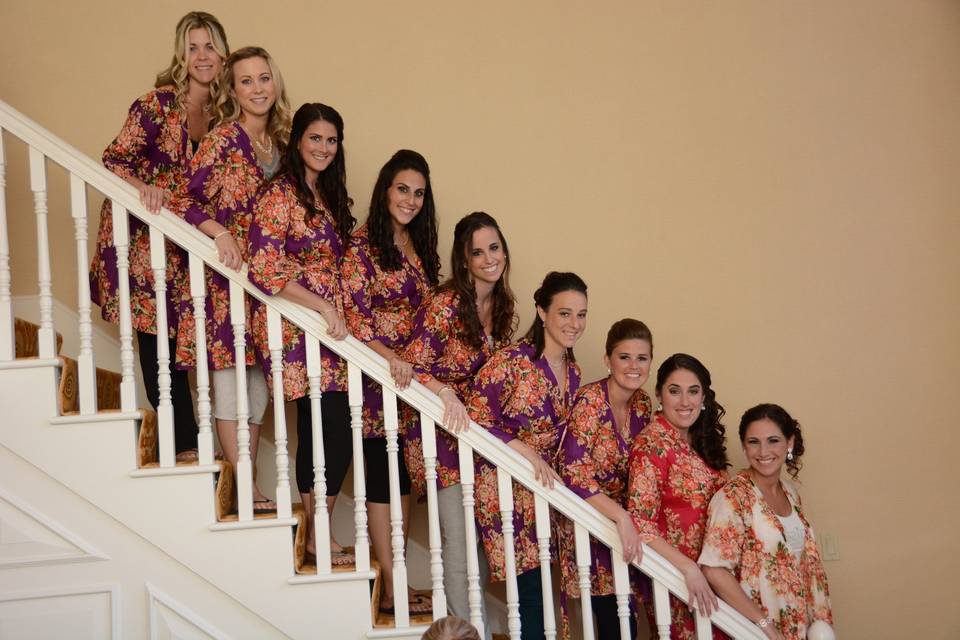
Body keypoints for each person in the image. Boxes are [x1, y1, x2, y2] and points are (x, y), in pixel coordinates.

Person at [89, 11, 229, 461]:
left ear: (223, 54)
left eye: (210, 46)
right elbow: (114, 160)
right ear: (181, 55)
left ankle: (190, 439)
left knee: (182, 341)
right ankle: (184, 443)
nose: (202, 56)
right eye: (193, 47)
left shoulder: (223, 118)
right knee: (157, 340)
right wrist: (143, 187)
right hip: (140, 237)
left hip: (181, 244)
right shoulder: (156, 105)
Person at [176, 46, 292, 512]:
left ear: (275, 83)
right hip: (224, 283)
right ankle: (245, 484)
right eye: (246, 81)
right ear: (234, 89)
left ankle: (251, 481)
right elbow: (183, 198)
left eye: (264, 78)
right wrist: (220, 232)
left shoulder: (281, 146)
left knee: (258, 391)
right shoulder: (224, 139)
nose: (257, 88)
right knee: (230, 384)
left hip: (262, 288)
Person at [246, 102, 354, 561]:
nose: (324, 148)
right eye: (315, 138)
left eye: (331, 140)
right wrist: (321, 304)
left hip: (325, 331)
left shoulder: (325, 197)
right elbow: (264, 268)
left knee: (330, 427)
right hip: (293, 325)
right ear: (298, 141)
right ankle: (318, 533)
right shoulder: (280, 195)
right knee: (327, 423)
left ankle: (316, 530)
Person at [398, 211, 516, 627]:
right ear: (464, 260)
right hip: (438, 431)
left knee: (481, 544)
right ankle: (461, 631)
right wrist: (446, 393)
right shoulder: (447, 304)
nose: (488, 259)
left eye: (494, 248)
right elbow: (410, 365)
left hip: (475, 439)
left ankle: (472, 627)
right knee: (458, 541)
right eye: (477, 252)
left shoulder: (502, 306)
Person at [341, 149, 440, 610]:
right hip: (378, 376)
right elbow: (357, 319)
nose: (411, 199)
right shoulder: (363, 246)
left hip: (411, 385)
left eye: (419, 193)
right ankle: (390, 586)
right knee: (382, 476)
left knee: (403, 479)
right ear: (385, 190)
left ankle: (398, 574)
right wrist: (392, 359)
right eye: (403, 188)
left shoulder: (418, 249)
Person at [466, 271, 587, 640]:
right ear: (541, 310)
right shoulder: (511, 362)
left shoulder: (575, 373)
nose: (574, 323)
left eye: (581, 315)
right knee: (531, 592)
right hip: (510, 487)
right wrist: (524, 453)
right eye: (564, 313)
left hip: (549, 493)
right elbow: (473, 416)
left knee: (553, 591)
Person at [699, 404, 833, 640]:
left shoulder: (790, 492)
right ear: (743, 445)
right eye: (753, 442)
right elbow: (714, 569)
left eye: (773, 440)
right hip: (758, 633)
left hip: (802, 627)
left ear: (789, 443)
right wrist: (763, 625)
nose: (763, 451)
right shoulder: (733, 497)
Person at [556, 318, 655, 639]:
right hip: (593, 527)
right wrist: (621, 517)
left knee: (630, 624)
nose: (634, 366)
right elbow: (574, 474)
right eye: (624, 357)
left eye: (642, 358)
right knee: (614, 625)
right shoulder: (590, 402)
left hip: (626, 532)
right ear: (607, 360)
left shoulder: (642, 405)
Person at [627, 353, 729, 639]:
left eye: (693, 391)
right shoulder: (652, 444)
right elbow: (640, 523)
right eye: (675, 391)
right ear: (659, 394)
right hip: (680, 581)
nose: (685, 401)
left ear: (704, 397)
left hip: (718, 577)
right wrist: (688, 568)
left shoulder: (702, 441)